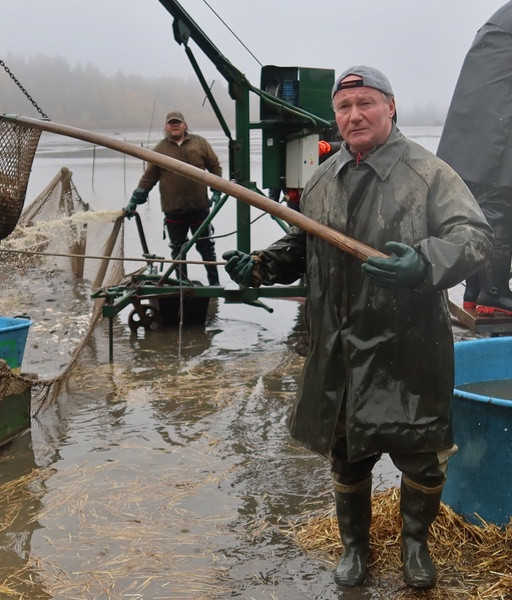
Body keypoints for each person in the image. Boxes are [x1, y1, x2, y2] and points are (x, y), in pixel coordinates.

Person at [223, 66, 492, 589]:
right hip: (338, 345)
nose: (353, 116)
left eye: (365, 103)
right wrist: (260, 265)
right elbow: (306, 244)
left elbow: (475, 237)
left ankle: (415, 544)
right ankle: (355, 547)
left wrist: (425, 262)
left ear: (391, 107)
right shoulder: (323, 178)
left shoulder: (429, 173)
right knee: (346, 456)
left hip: (408, 346)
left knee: (422, 455)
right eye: (344, 108)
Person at [437, 2, 512, 315]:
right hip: (495, 128)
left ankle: (476, 290)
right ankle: (494, 295)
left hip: (474, 130)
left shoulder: (498, 22)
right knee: (499, 205)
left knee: (479, 207)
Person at [124, 111, 223, 285]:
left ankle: (215, 285)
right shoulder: (160, 149)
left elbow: (214, 166)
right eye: (171, 123)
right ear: (166, 127)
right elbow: (149, 178)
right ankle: (182, 286)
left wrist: (216, 190)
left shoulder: (200, 143)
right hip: (174, 211)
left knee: (207, 249)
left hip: (199, 208)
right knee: (178, 250)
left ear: (185, 125)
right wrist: (135, 200)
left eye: (178, 122)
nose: (175, 125)